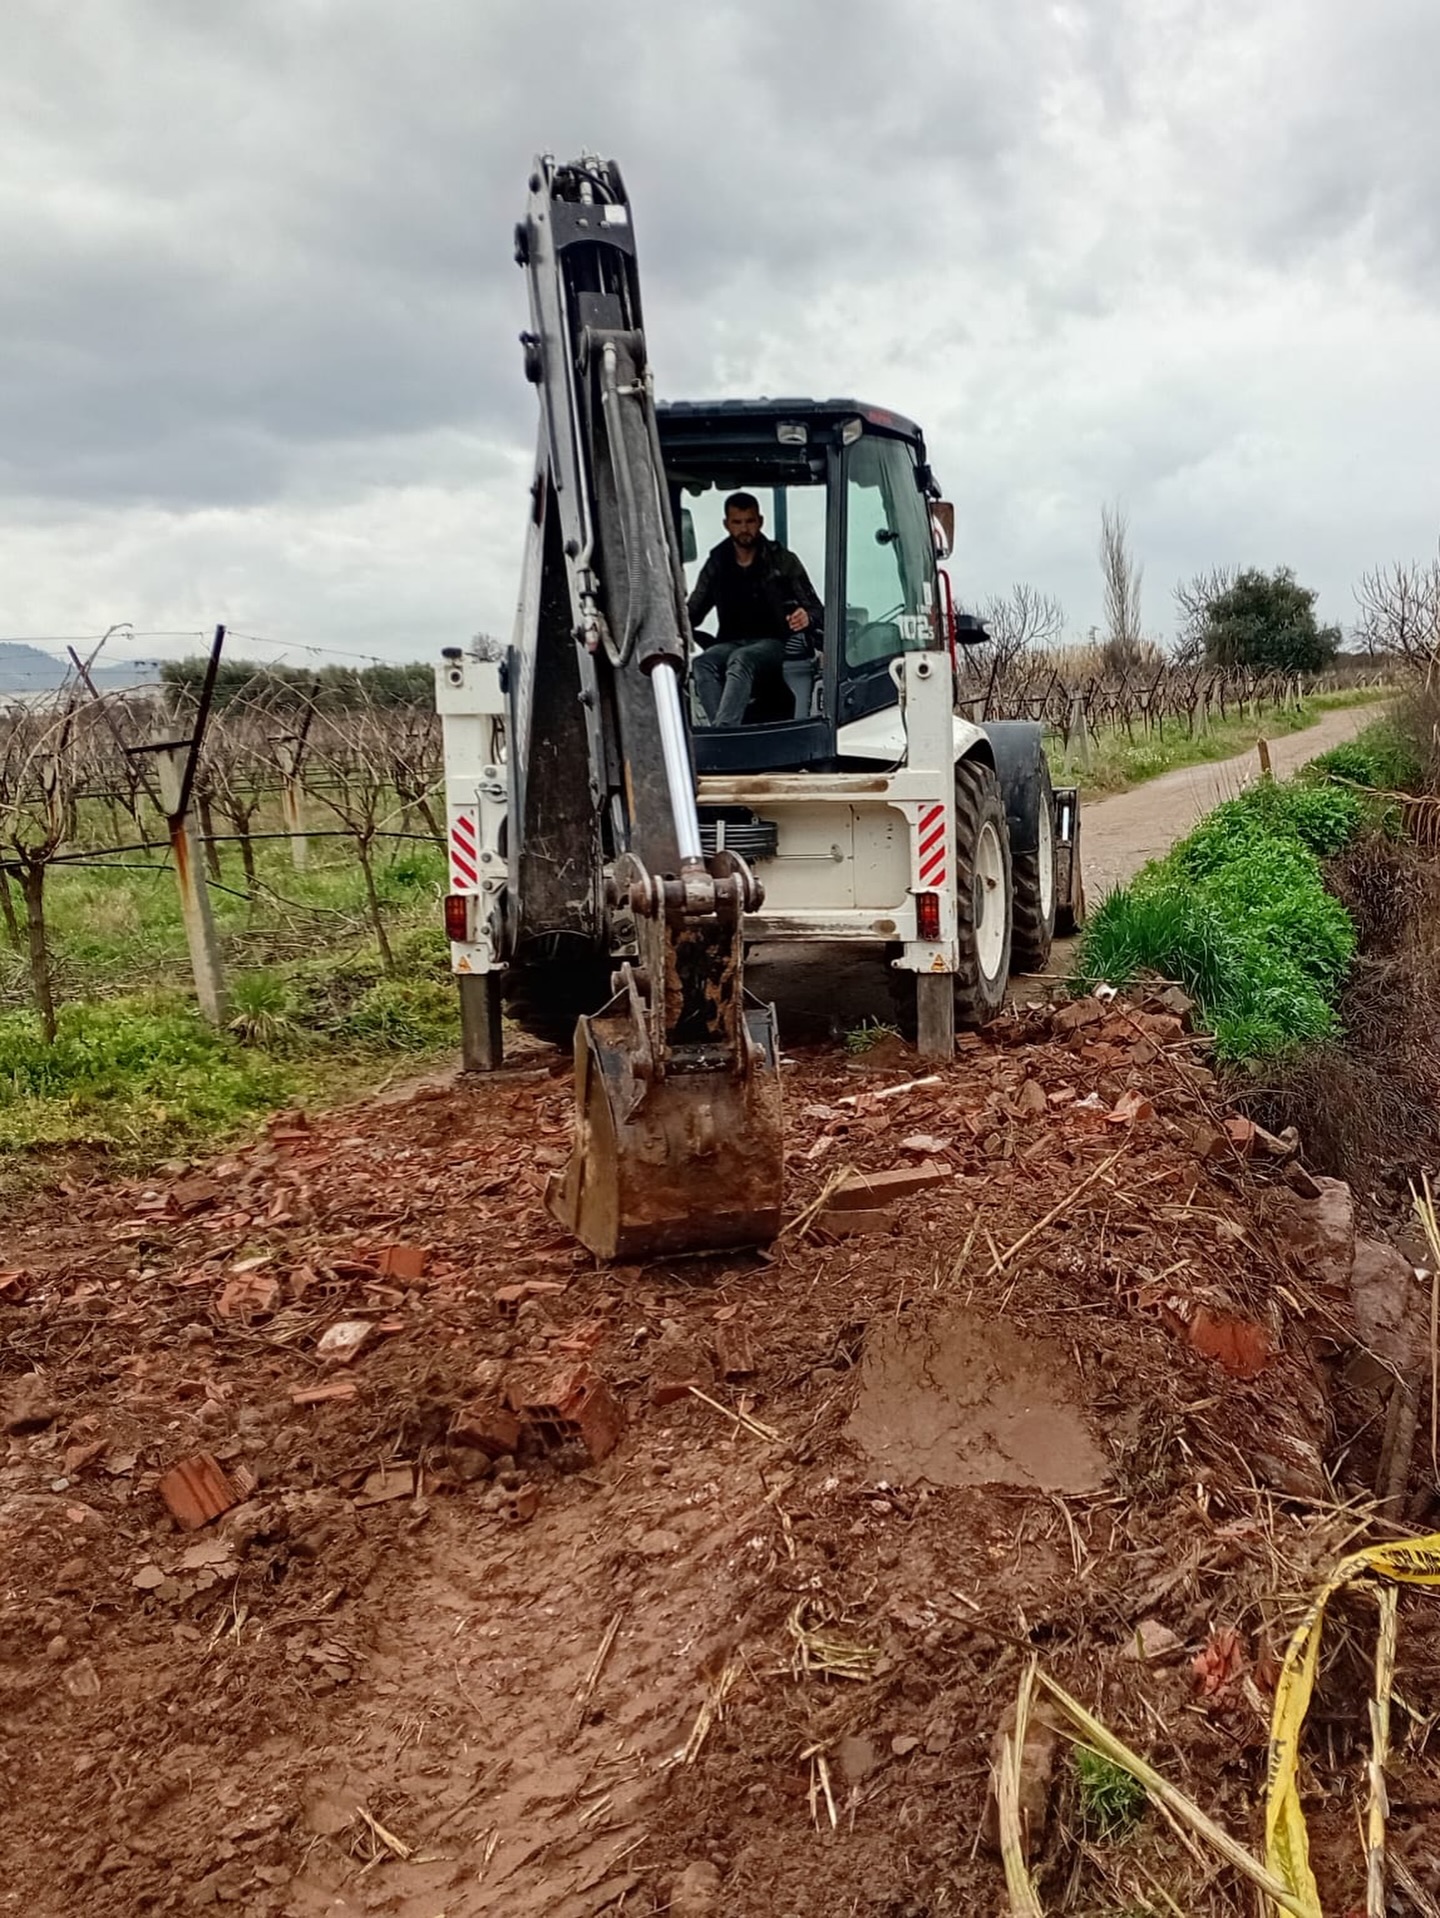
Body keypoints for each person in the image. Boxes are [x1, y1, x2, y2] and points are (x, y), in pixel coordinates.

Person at [687, 492, 823, 727]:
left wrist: (807, 617)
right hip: (729, 641)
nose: (744, 529)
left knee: (741, 659)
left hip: (772, 643)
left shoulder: (782, 560)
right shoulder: (717, 563)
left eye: (749, 521)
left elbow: (816, 609)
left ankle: (724, 735)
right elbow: (693, 613)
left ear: (760, 521)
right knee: (702, 663)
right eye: (737, 522)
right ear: (726, 524)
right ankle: (723, 729)